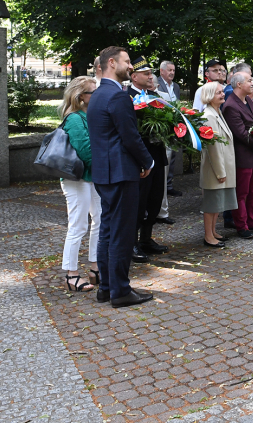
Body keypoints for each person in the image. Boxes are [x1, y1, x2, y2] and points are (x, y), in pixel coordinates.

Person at [87, 46, 154, 308]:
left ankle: (106, 287)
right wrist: (147, 161)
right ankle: (120, 291)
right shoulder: (117, 96)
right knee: (122, 234)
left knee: (108, 231)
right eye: (127, 62)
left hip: (105, 172)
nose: (131, 67)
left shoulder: (98, 95)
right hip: (121, 172)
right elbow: (129, 136)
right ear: (111, 63)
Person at [59, 76, 100, 292]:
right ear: (80, 97)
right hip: (76, 178)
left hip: (92, 177)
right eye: (93, 92)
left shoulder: (89, 115)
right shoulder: (74, 118)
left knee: (99, 220)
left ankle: (95, 267)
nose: (97, 95)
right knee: (78, 225)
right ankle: (71, 274)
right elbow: (86, 151)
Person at [127, 57, 170, 261]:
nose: (150, 76)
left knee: (154, 199)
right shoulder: (127, 97)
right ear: (134, 77)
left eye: (150, 73)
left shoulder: (153, 95)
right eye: (145, 73)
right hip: (141, 159)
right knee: (139, 201)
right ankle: (132, 243)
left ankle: (146, 238)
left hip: (157, 155)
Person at [222, 71, 253, 239]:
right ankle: (242, 225)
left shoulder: (249, 101)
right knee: (242, 193)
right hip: (243, 155)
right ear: (238, 85)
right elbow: (241, 134)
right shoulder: (230, 106)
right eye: (249, 80)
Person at [198, 81, 234, 248]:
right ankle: (208, 236)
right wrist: (220, 172)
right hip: (214, 168)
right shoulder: (209, 116)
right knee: (211, 204)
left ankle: (213, 232)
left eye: (222, 91)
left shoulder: (217, 113)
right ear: (209, 96)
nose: (223, 94)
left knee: (217, 203)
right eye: (218, 92)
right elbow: (213, 147)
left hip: (220, 166)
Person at [156, 60, 182, 219]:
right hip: (162, 127)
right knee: (165, 158)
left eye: (173, 70)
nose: (172, 73)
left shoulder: (177, 87)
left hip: (174, 125)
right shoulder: (156, 84)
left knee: (172, 157)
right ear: (162, 71)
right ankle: (164, 188)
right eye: (169, 70)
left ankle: (169, 184)